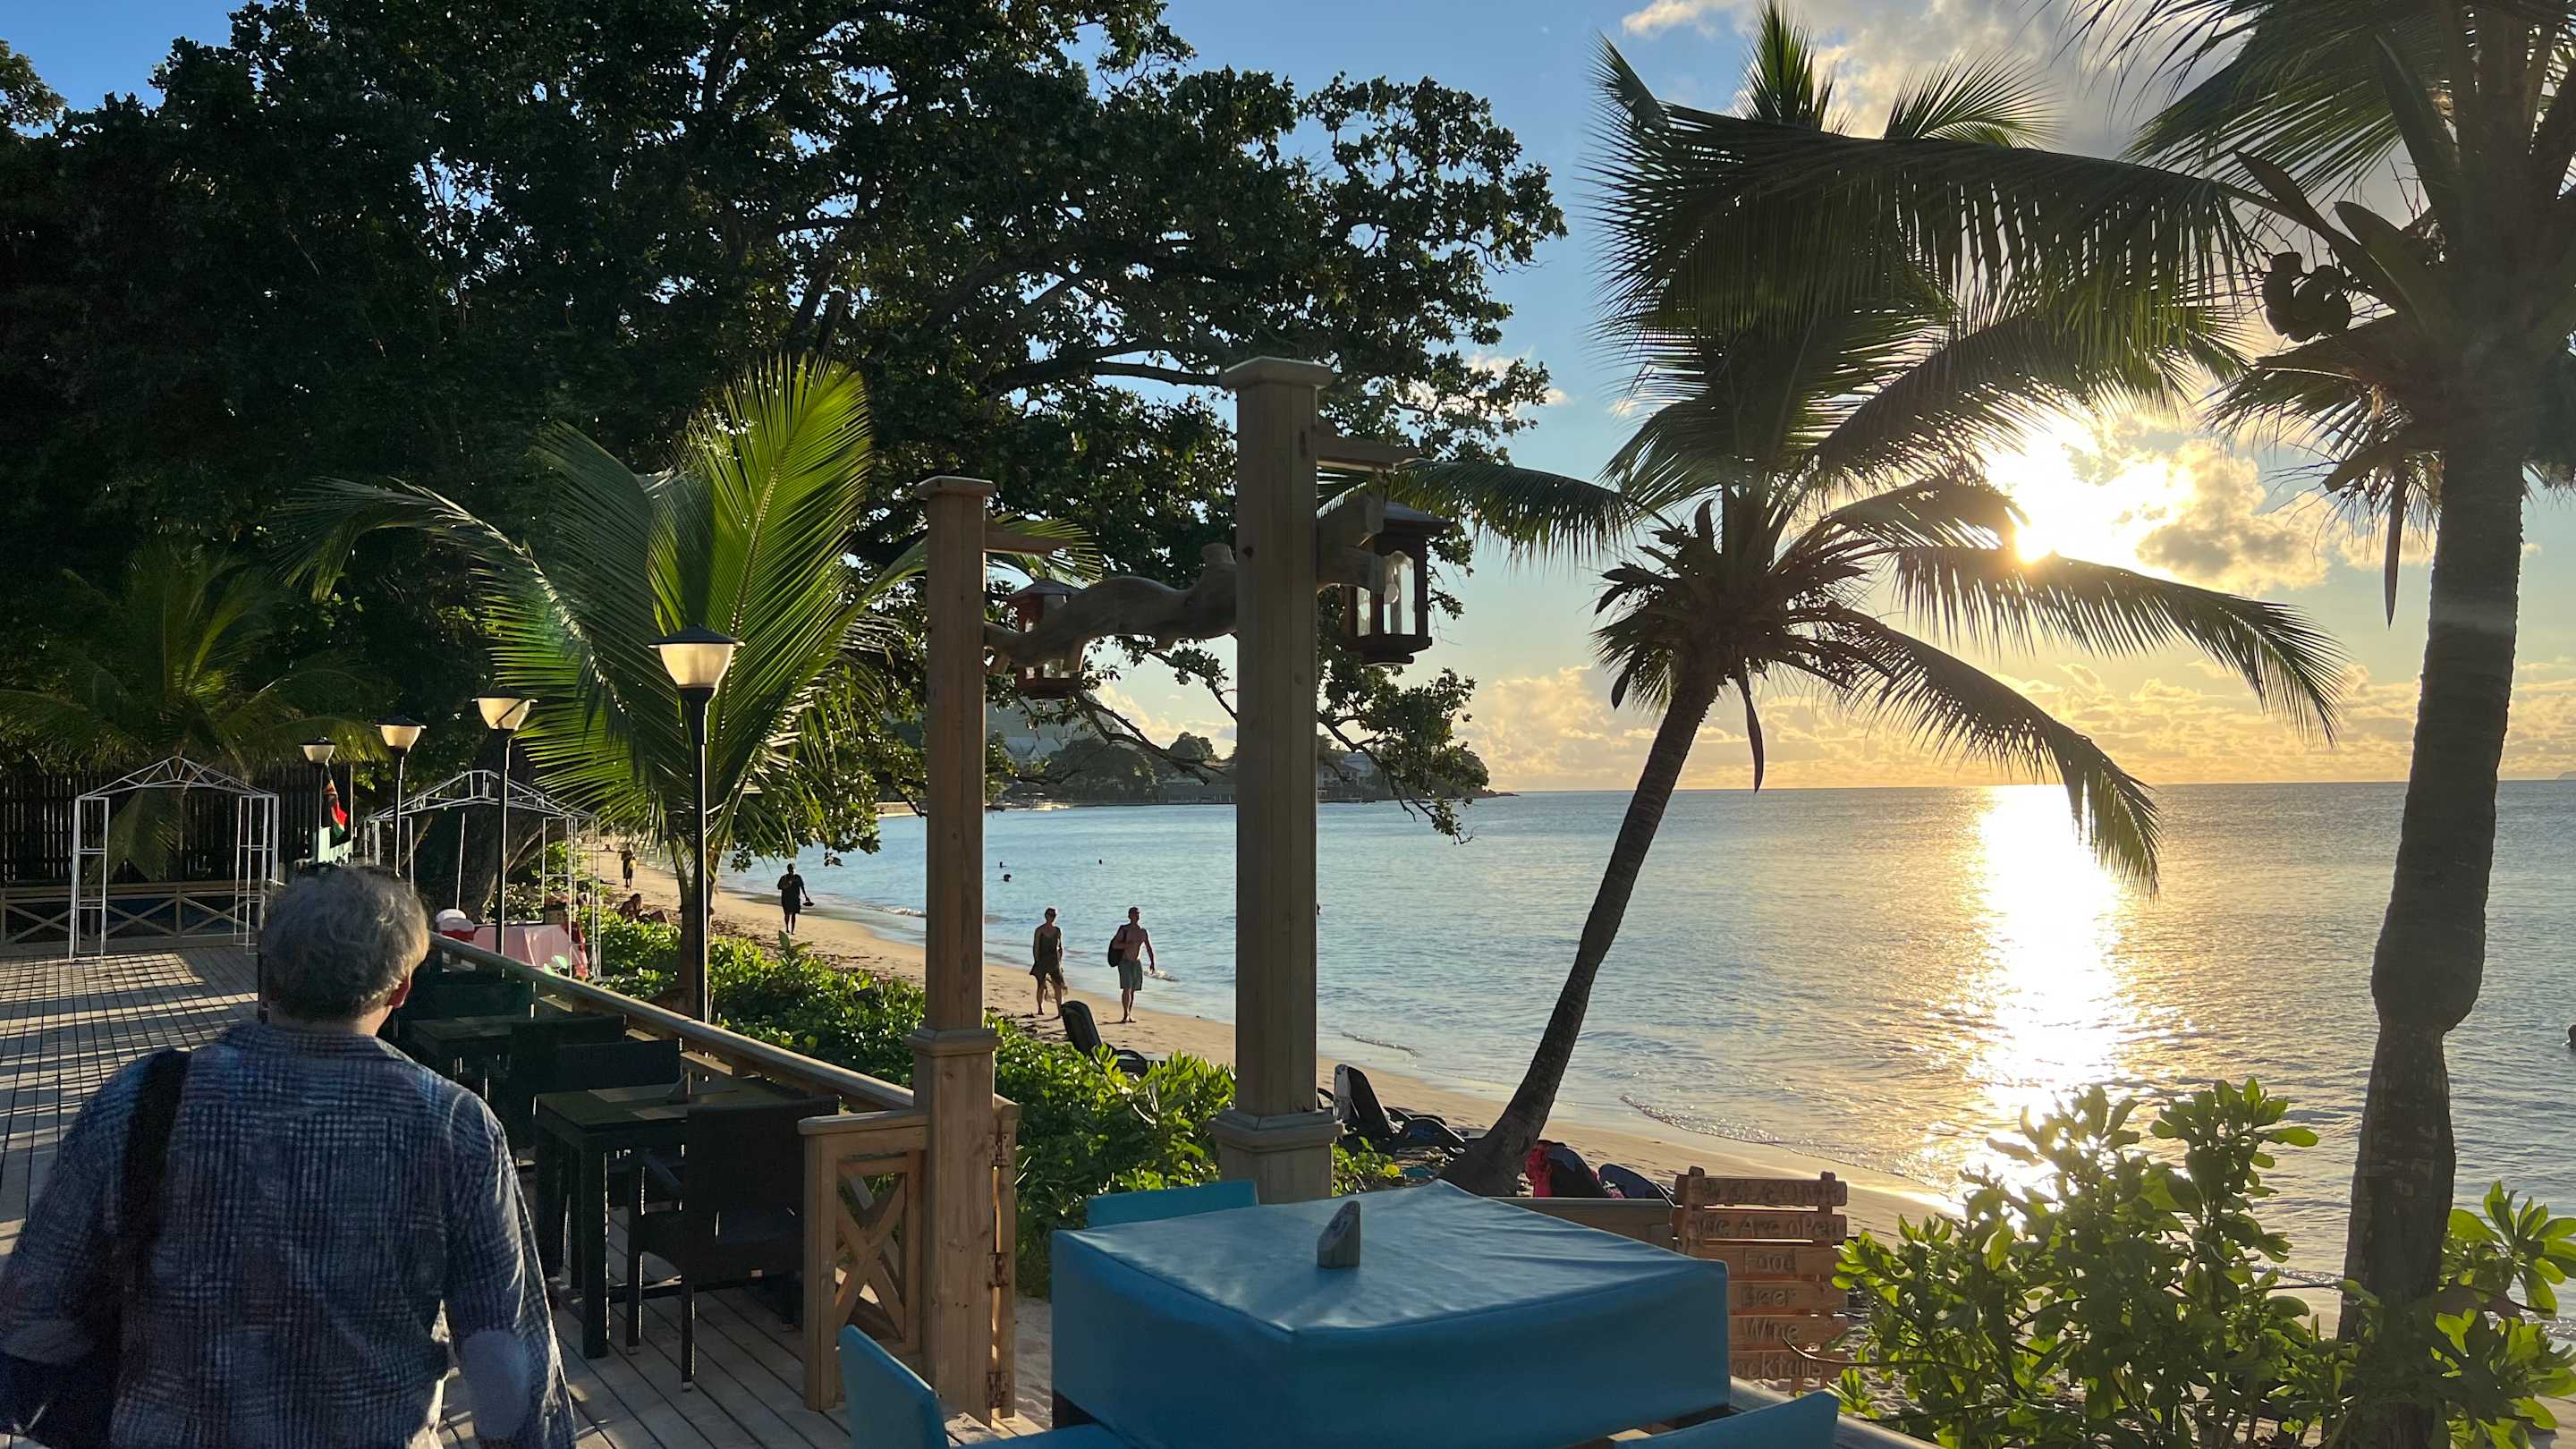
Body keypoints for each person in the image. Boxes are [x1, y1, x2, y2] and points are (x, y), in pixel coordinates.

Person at [0, 868, 575, 1446]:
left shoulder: (145, 1100)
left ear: (268, 973)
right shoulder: (454, 1125)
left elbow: (32, 1312)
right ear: (401, 988)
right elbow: (502, 1355)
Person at [1110, 906, 1155, 1024]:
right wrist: (1127, 945)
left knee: (1133, 990)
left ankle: (1129, 1014)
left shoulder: (1142, 931)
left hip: (1136, 962)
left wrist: (1152, 962)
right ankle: (1125, 1015)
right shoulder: (1124, 929)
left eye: (1138, 913)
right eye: (1134, 914)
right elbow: (1115, 945)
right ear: (1129, 916)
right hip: (1124, 962)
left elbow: (1148, 947)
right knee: (1127, 988)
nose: (1136, 915)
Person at [1031, 907, 1067, 1018]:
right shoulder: (1039, 930)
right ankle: (1040, 1008)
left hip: (1054, 961)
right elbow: (1036, 947)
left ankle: (1060, 1011)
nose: (1052, 917)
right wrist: (1036, 961)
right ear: (1046, 915)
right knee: (1041, 985)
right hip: (1042, 960)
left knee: (1058, 986)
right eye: (1050, 915)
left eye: (1054, 915)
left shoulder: (1058, 930)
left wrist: (1060, 963)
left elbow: (1060, 947)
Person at [776, 860, 809, 934]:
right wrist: (787, 885)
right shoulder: (784, 878)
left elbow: (802, 887)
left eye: (793, 869)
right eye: (790, 869)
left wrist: (806, 896)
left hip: (795, 898)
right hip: (786, 898)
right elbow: (779, 887)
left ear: (795, 869)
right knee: (787, 914)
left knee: (794, 914)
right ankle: (787, 928)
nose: (792, 871)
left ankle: (792, 930)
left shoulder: (798, 877)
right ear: (788, 870)